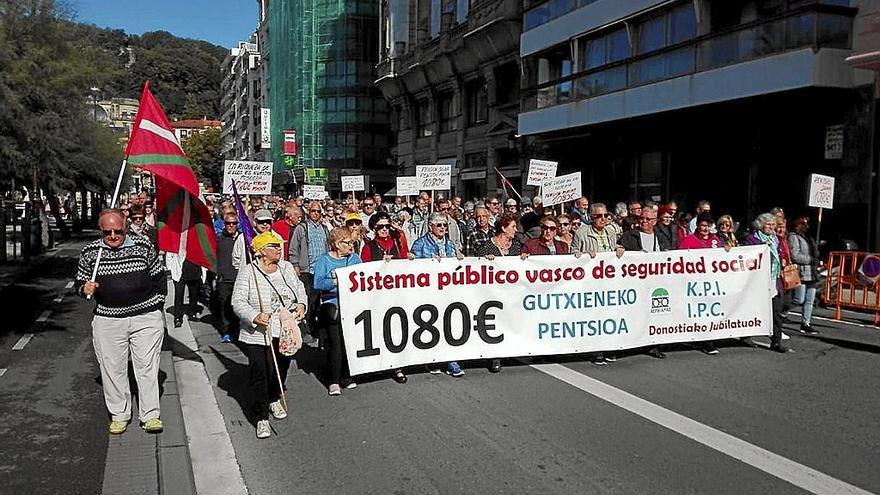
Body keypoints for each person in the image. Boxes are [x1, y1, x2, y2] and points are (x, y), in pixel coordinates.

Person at [75, 208, 167, 435]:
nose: (114, 236)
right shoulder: (90, 252)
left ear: (125, 227)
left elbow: (159, 277)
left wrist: (155, 306)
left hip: (145, 317)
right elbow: (80, 282)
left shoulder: (143, 246)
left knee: (146, 366)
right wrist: (84, 287)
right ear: (101, 231)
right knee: (112, 368)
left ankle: (150, 415)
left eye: (118, 231)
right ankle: (119, 414)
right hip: (108, 318)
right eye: (108, 232)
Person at [232, 231, 307, 439]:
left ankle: (274, 396)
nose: (279, 249)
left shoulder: (285, 268)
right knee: (260, 372)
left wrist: (302, 304)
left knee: (281, 366)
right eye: (274, 246)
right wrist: (255, 316)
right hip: (258, 333)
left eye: (279, 245)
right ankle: (260, 416)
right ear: (262, 251)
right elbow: (237, 301)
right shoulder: (248, 272)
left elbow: (299, 288)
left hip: (284, 327)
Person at [409, 213, 465, 376]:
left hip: (448, 290)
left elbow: (456, 265)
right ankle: (432, 358)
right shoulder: (420, 244)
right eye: (439, 225)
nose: (443, 228)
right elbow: (412, 267)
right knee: (431, 324)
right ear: (431, 226)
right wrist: (426, 261)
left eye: (445, 225)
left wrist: (459, 258)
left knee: (450, 324)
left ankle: (451, 360)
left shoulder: (449, 244)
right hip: (428, 291)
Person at [616, 207, 672, 358]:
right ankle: (626, 344)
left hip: (655, 283)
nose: (644, 221)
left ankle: (652, 344)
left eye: (648, 219)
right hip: (634, 284)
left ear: (654, 221)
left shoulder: (661, 236)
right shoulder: (630, 236)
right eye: (641, 218)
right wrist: (619, 250)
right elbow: (619, 253)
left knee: (654, 314)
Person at [314, 229, 363, 395]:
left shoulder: (355, 259)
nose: (351, 245)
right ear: (336, 244)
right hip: (332, 306)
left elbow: (362, 277)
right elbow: (318, 283)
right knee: (336, 343)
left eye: (352, 242)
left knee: (349, 342)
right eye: (347, 243)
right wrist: (336, 281)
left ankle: (347, 375)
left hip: (351, 305)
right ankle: (333, 380)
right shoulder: (324, 260)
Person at [474, 213, 522, 372]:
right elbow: (475, 268)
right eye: (513, 227)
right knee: (496, 324)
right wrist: (483, 260)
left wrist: (525, 259)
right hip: (492, 294)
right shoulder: (487, 247)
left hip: (512, 293)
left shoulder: (516, 246)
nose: (516, 230)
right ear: (503, 228)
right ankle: (495, 357)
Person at [744, 213, 788, 353]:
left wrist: (783, 261)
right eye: (768, 224)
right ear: (760, 225)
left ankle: (776, 341)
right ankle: (745, 335)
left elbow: (782, 254)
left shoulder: (776, 240)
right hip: (757, 281)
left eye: (773, 224)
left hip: (774, 279)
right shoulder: (752, 239)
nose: (771, 227)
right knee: (753, 309)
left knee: (776, 311)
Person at [289, 201, 331, 341]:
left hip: (321, 271)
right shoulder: (301, 228)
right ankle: (305, 329)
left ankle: (315, 327)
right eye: (313, 211)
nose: (316, 214)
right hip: (307, 270)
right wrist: (295, 265)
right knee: (307, 300)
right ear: (308, 212)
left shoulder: (325, 229)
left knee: (319, 302)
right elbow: (293, 248)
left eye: (318, 211)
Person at [788, 216, 821, 335]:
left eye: (807, 224)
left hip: (812, 272)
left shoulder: (809, 238)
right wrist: (810, 259)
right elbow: (795, 255)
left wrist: (816, 253)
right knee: (799, 299)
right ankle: (781, 313)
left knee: (810, 300)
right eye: (804, 224)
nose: (806, 226)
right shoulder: (794, 237)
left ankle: (806, 323)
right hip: (801, 272)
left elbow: (814, 252)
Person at [215, 212, 241, 342]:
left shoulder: (242, 239)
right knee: (224, 306)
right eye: (228, 223)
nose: (231, 226)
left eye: (234, 223)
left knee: (237, 307)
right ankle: (226, 332)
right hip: (224, 279)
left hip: (239, 279)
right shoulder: (219, 239)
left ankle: (236, 331)